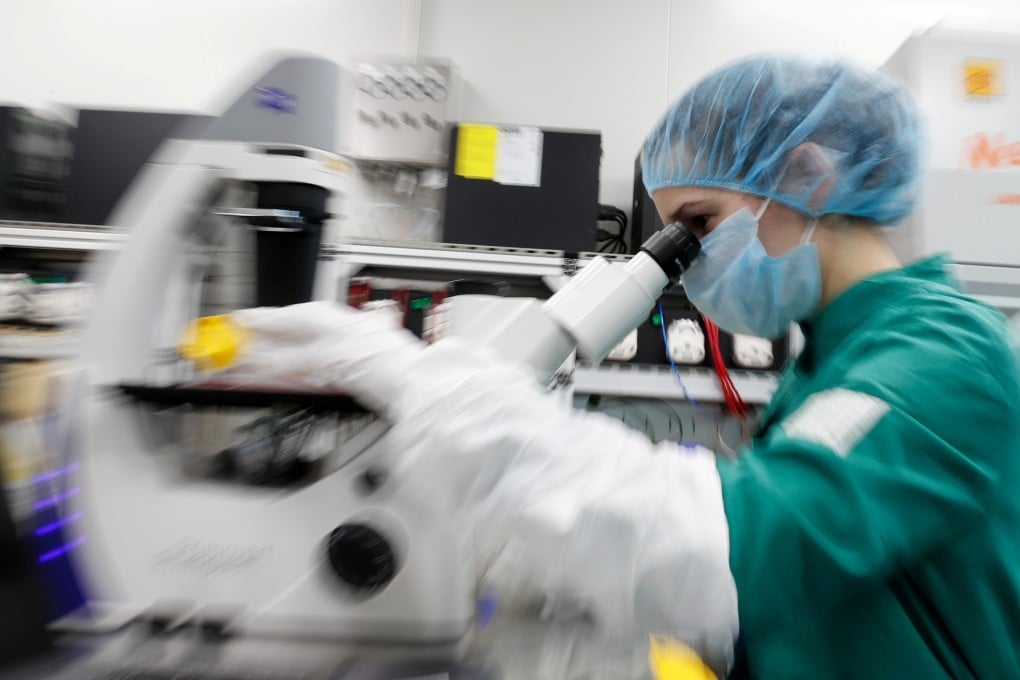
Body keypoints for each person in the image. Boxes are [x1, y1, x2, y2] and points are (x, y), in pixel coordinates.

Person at [225, 55, 1020, 678]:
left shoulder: (942, 355)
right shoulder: (837, 359)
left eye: (698, 224)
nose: (692, 263)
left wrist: (437, 393)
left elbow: (733, 549)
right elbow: (813, 586)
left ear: (806, 176)